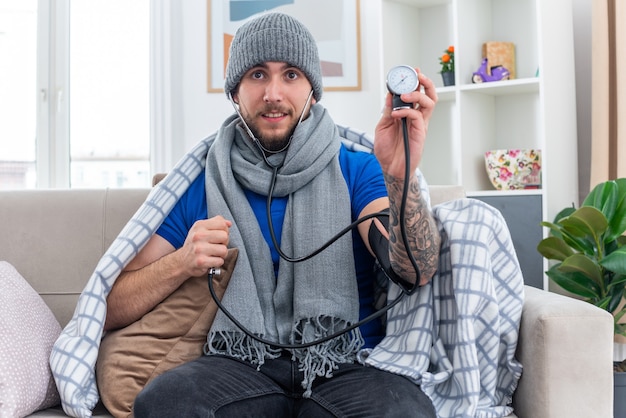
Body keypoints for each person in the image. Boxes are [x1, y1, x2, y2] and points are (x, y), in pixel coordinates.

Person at [104, 12, 440, 418]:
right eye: (258, 75)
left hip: (347, 362)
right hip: (240, 364)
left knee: (405, 412)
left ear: (313, 91)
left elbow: (414, 270)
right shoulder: (203, 181)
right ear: (235, 92)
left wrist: (400, 177)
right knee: (164, 402)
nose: (274, 93)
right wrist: (180, 262)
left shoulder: (356, 167)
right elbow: (112, 306)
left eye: (292, 75)